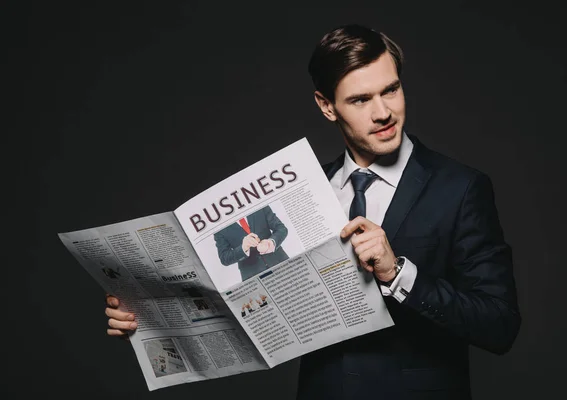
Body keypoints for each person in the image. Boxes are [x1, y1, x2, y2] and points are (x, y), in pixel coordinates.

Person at [105, 24, 521, 399]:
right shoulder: (302, 192)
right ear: (327, 106)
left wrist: (397, 274)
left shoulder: (462, 188)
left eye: (390, 90)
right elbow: (250, 313)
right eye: (360, 99)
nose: (383, 113)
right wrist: (154, 323)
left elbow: (499, 325)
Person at [214, 205, 289, 282]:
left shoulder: (258, 205)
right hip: (253, 277)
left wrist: (271, 242)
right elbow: (224, 258)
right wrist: (243, 248)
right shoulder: (219, 227)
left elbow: (281, 229)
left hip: (281, 263)